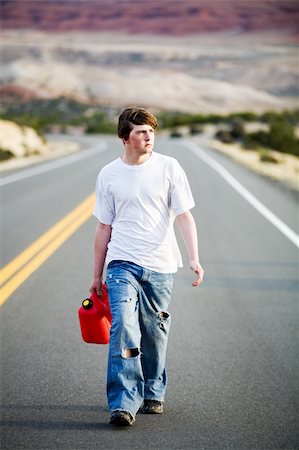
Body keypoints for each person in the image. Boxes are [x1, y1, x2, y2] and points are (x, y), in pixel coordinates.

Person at [90, 107, 204, 427]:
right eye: (141, 131)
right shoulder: (109, 174)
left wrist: (194, 257)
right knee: (123, 327)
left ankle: (153, 391)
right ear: (125, 137)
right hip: (121, 263)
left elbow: (184, 215)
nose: (148, 136)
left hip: (161, 264)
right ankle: (124, 402)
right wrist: (96, 275)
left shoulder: (169, 167)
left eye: (151, 130)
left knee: (154, 331)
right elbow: (103, 228)